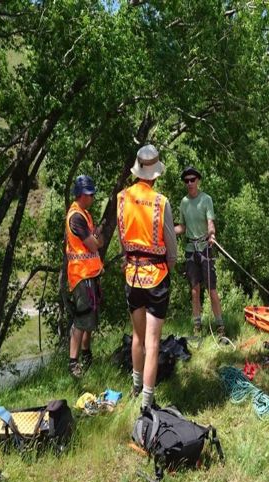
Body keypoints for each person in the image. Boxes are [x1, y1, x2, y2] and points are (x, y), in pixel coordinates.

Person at [117, 144, 177, 411]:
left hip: (132, 275)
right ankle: (147, 402)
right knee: (153, 343)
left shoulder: (121, 198)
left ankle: (135, 386)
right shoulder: (161, 202)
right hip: (156, 278)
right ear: (155, 173)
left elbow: (121, 237)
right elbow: (171, 246)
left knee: (137, 337)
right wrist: (169, 269)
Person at [174, 166, 224, 337]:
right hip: (190, 250)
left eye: (192, 180)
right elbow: (182, 226)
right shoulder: (184, 202)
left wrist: (212, 234)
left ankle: (220, 326)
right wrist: (167, 232)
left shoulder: (206, 199)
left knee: (211, 289)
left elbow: (210, 221)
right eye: (186, 180)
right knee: (194, 290)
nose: (189, 183)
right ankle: (197, 326)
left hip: (205, 248)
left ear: (198, 181)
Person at [65, 175, 104, 378]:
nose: (93, 197)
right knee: (81, 318)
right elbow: (93, 244)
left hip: (90, 274)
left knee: (90, 317)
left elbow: (100, 241)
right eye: (91, 194)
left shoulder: (85, 215)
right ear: (82, 195)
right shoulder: (76, 217)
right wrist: (96, 239)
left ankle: (87, 355)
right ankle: (73, 363)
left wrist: (97, 238)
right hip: (80, 275)